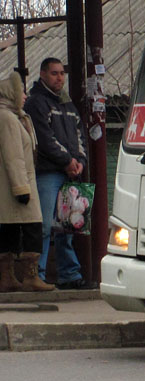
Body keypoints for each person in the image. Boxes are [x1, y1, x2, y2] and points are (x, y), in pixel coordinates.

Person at [24, 58, 87, 288]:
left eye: (62, 73)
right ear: (42, 74)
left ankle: (69, 275)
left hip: (70, 173)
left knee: (67, 227)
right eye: (54, 73)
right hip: (47, 174)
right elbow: (44, 139)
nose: (59, 78)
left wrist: (79, 161)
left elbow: (80, 137)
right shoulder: (36, 103)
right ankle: (37, 275)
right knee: (43, 226)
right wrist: (68, 161)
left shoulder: (68, 105)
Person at [1, 70, 53, 292]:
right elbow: (13, 156)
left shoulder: (14, 116)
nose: (24, 96)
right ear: (10, 93)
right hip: (17, 185)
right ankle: (29, 277)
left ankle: (8, 277)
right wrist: (21, 188)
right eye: (20, 91)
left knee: (10, 229)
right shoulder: (7, 118)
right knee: (32, 227)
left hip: (14, 185)